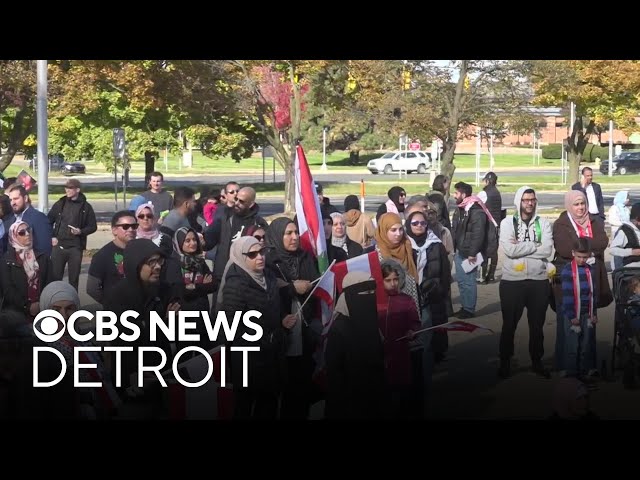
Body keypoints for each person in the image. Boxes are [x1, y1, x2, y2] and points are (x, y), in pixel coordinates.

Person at [218, 236, 295, 419]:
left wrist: (281, 321)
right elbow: (229, 326)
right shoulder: (236, 284)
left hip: (272, 355)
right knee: (245, 406)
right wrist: (259, 337)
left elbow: (272, 308)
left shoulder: (268, 276)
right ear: (241, 256)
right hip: (249, 359)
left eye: (261, 251)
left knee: (268, 405)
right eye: (252, 254)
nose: (260, 257)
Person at [264, 217, 320, 419]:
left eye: (296, 232)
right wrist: (291, 288)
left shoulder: (305, 257)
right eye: (288, 233)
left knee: (302, 381)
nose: (294, 237)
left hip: (305, 328)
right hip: (282, 329)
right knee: (284, 384)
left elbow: (315, 284)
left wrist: (308, 287)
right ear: (278, 235)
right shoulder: (269, 261)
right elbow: (266, 295)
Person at [552, 191, 610, 376]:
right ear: (570, 205)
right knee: (568, 323)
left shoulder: (593, 220)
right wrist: (588, 249)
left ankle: (587, 367)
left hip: (591, 279)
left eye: (583, 204)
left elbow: (603, 241)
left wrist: (580, 247)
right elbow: (564, 249)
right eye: (576, 204)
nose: (580, 208)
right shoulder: (561, 223)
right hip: (567, 280)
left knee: (589, 323)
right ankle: (565, 368)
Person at [497, 186, 553, 379]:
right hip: (512, 281)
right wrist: (533, 245)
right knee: (509, 325)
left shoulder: (543, 223)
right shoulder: (507, 223)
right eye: (525, 199)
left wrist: (522, 247)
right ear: (518, 201)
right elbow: (509, 251)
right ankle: (505, 361)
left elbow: (547, 251)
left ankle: (537, 361)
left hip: (538, 280)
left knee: (537, 326)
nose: (529, 203)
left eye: (532, 199)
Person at [324, 272, 386, 419]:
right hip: (349, 401)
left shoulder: (370, 320)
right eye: (366, 292)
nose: (370, 297)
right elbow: (334, 372)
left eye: (372, 292)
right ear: (351, 296)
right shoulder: (339, 329)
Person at [378, 259, 421, 418]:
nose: (393, 283)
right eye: (388, 280)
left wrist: (413, 331)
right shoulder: (375, 301)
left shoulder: (406, 300)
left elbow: (416, 323)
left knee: (401, 397)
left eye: (396, 279)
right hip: (380, 356)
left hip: (400, 355)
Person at [48, 179, 97, 291]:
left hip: (75, 247)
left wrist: (81, 231)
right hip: (59, 245)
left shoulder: (86, 207)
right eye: (66, 188)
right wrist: (52, 237)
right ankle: (55, 302)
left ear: (77, 190)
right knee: (55, 278)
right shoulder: (61, 203)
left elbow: (93, 226)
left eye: (70, 188)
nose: (67, 190)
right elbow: (48, 221)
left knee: (73, 279)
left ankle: (72, 304)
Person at [451, 182, 491, 318]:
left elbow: (478, 234)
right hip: (460, 251)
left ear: (463, 194)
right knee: (462, 281)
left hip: (470, 254)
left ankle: (469, 309)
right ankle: (464, 306)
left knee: (468, 281)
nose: (453, 195)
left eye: (456, 193)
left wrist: (472, 253)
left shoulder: (476, 210)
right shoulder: (462, 208)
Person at [560, 238, 598, 380]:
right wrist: (571, 316)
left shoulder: (590, 270)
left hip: (586, 315)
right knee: (572, 347)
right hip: (572, 315)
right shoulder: (567, 270)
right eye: (579, 256)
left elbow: (593, 294)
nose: (582, 260)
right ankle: (571, 375)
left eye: (585, 257)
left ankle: (584, 373)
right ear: (573, 253)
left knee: (585, 346)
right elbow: (567, 296)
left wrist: (593, 313)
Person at [0, 221, 54, 320]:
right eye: (22, 233)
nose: (27, 234)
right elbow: (8, 289)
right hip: (17, 313)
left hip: (43, 309)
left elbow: (50, 282)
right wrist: (27, 306)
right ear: (13, 236)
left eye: (29, 230)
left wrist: (42, 303)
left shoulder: (42, 257)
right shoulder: (6, 260)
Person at [86, 211, 138, 305]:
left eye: (134, 226)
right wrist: (110, 304)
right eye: (125, 226)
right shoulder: (102, 256)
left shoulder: (142, 251)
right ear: (114, 230)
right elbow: (92, 288)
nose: (131, 229)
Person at [476, 172, 502, 284]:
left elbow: (474, 204)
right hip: (496, 224)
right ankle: (491, 276)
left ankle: (482, 276)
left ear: (487, 181)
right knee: (494, 249)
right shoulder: (497, 193)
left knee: (483, 248)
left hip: (486, 224)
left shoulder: (484, 193)